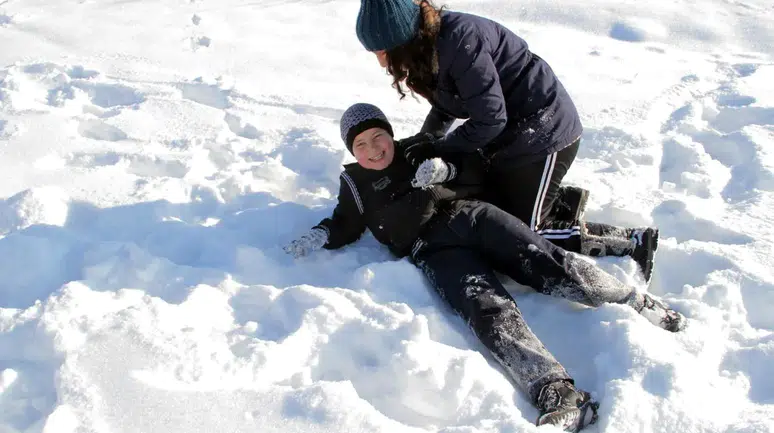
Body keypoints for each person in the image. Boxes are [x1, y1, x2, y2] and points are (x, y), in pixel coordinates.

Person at [283, 103, 687, 432]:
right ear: (352, 152)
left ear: (389, 133)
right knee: (488, 312)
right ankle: (556, 393)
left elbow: (472, 169)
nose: (374, 149)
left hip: (471, 216)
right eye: (361, 145)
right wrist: (321, 235)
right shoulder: (355, 183)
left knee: (547, 264)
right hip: (433, 252)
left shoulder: (414, 149)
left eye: (378, 137)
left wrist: (446, 170)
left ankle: (631, 298)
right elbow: (345, 222)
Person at [353, 0, 661, 282]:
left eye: (383, 52)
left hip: (544, 131)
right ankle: (557, 199)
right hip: (510, 136)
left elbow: (490, 119)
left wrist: (440, 147)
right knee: (497, 207)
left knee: (525, 233)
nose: (382, 63)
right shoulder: (429, 48)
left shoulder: (460, 41)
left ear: (404, 40)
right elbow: (450, 101)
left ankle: (632, 242)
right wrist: (426, 139)